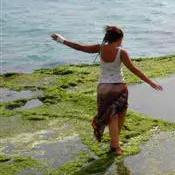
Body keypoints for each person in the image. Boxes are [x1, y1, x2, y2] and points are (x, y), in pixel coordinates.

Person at [50, 26, 163, 155]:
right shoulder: (122, 52)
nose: (122, 42)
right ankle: (115, 146)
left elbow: (79, 47)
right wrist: (150, 82)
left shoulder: (100, 48)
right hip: (119, 88)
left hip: (104, 88)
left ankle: (115, 143)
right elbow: (134, 70)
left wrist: (61, 39)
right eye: (122, 39)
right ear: (119, 39)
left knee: (111, 118)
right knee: (120, 117)